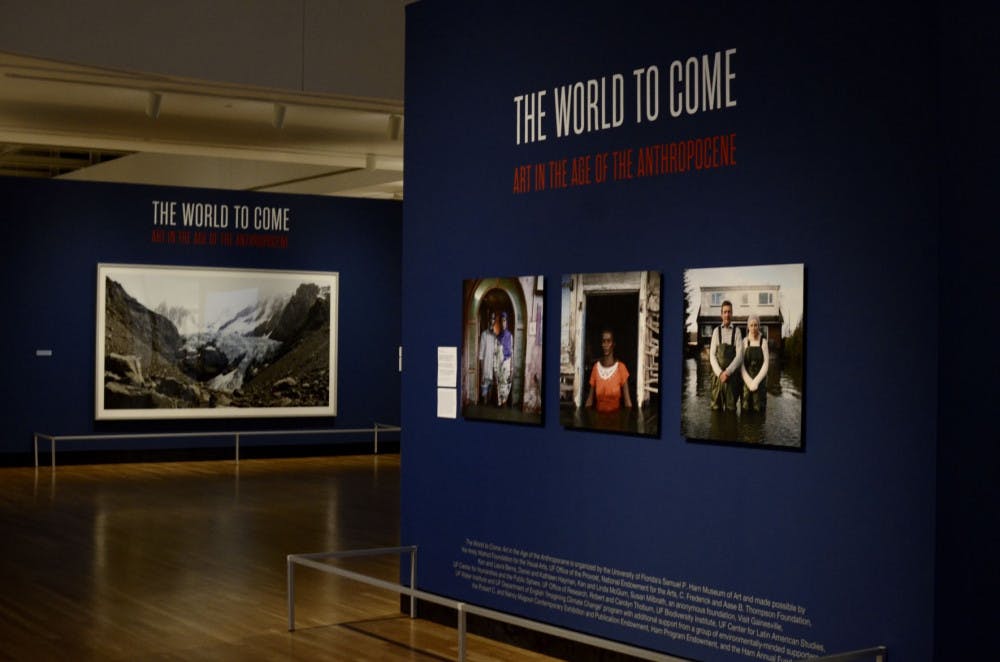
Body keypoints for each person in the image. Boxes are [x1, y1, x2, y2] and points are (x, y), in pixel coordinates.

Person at [585, 329, 633, 412]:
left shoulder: (621, 368)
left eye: (608, 341)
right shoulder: (596, 368)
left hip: (616, 420)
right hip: (598, 421)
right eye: (603, 341)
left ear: (613, 344)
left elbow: (627, 402)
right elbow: (590, 400)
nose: (606, 345)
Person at [709, 300, 743, 411]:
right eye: (725, 312)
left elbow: (739, 356)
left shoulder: (737, 332)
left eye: (729, 312)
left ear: (732, 314)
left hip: (732, 378)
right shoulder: (716, 331)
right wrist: (720, 373)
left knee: (731, 410)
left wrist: (727, 372)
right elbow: (712, 356)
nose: (727, 314)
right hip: (717, 378)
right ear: (721, 314)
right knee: (716, 409)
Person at [740, 314, 769, 412]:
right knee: (745, 409)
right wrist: (749, 382)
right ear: (748, 327)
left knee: (759, 410)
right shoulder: (744, 342)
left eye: (756, 325)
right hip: (746, 383)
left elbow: (766, 364)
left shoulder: (763, 342)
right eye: (751, 325)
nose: (753, 328)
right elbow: (741, 364)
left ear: (759, 326)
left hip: (760, 383)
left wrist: (756, 382)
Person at [494, 311, 514, 406]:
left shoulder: (510, 336)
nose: (503, 323)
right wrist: (495, 367)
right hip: (499, 363)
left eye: (505, 321)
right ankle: (500, 402)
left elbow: (512, 352)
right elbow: (495, 353)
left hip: (507, 363)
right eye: (502, 321)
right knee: (499, 383)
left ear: (507, 322)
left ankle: (504, 402)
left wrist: (511, 368)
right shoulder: (497, 337)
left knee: (506, 384)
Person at [478, 310, 497, 404]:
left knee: (490, 395)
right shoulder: (483, 335)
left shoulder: (495, 336)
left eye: (494, 319)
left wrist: (495, 371)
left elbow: (496, 355)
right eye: (491, 318)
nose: (492, 321)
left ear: (494, 322)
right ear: (489, 320)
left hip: (492, 369)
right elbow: (481, 355)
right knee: (484, 399)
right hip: (485, 369)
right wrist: (482, 372)